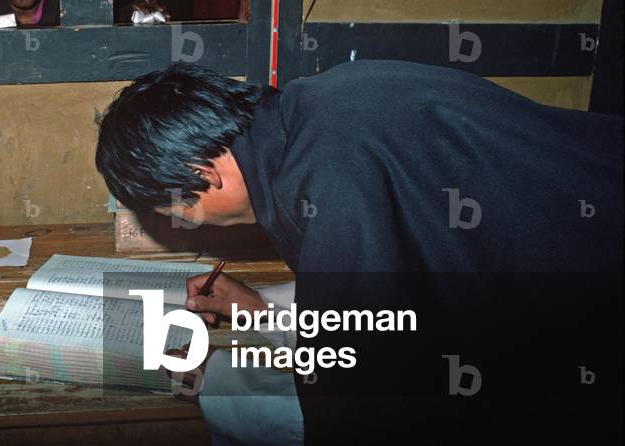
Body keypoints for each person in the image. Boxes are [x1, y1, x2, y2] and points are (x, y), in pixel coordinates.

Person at [95, 60, 623, 445]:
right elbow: (397, 289)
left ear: (202, 176)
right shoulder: (315, 108)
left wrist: (214, 372)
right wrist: (258, 310)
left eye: (172, 210)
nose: (179, 223)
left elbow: (362, 397)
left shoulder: (323, 181)